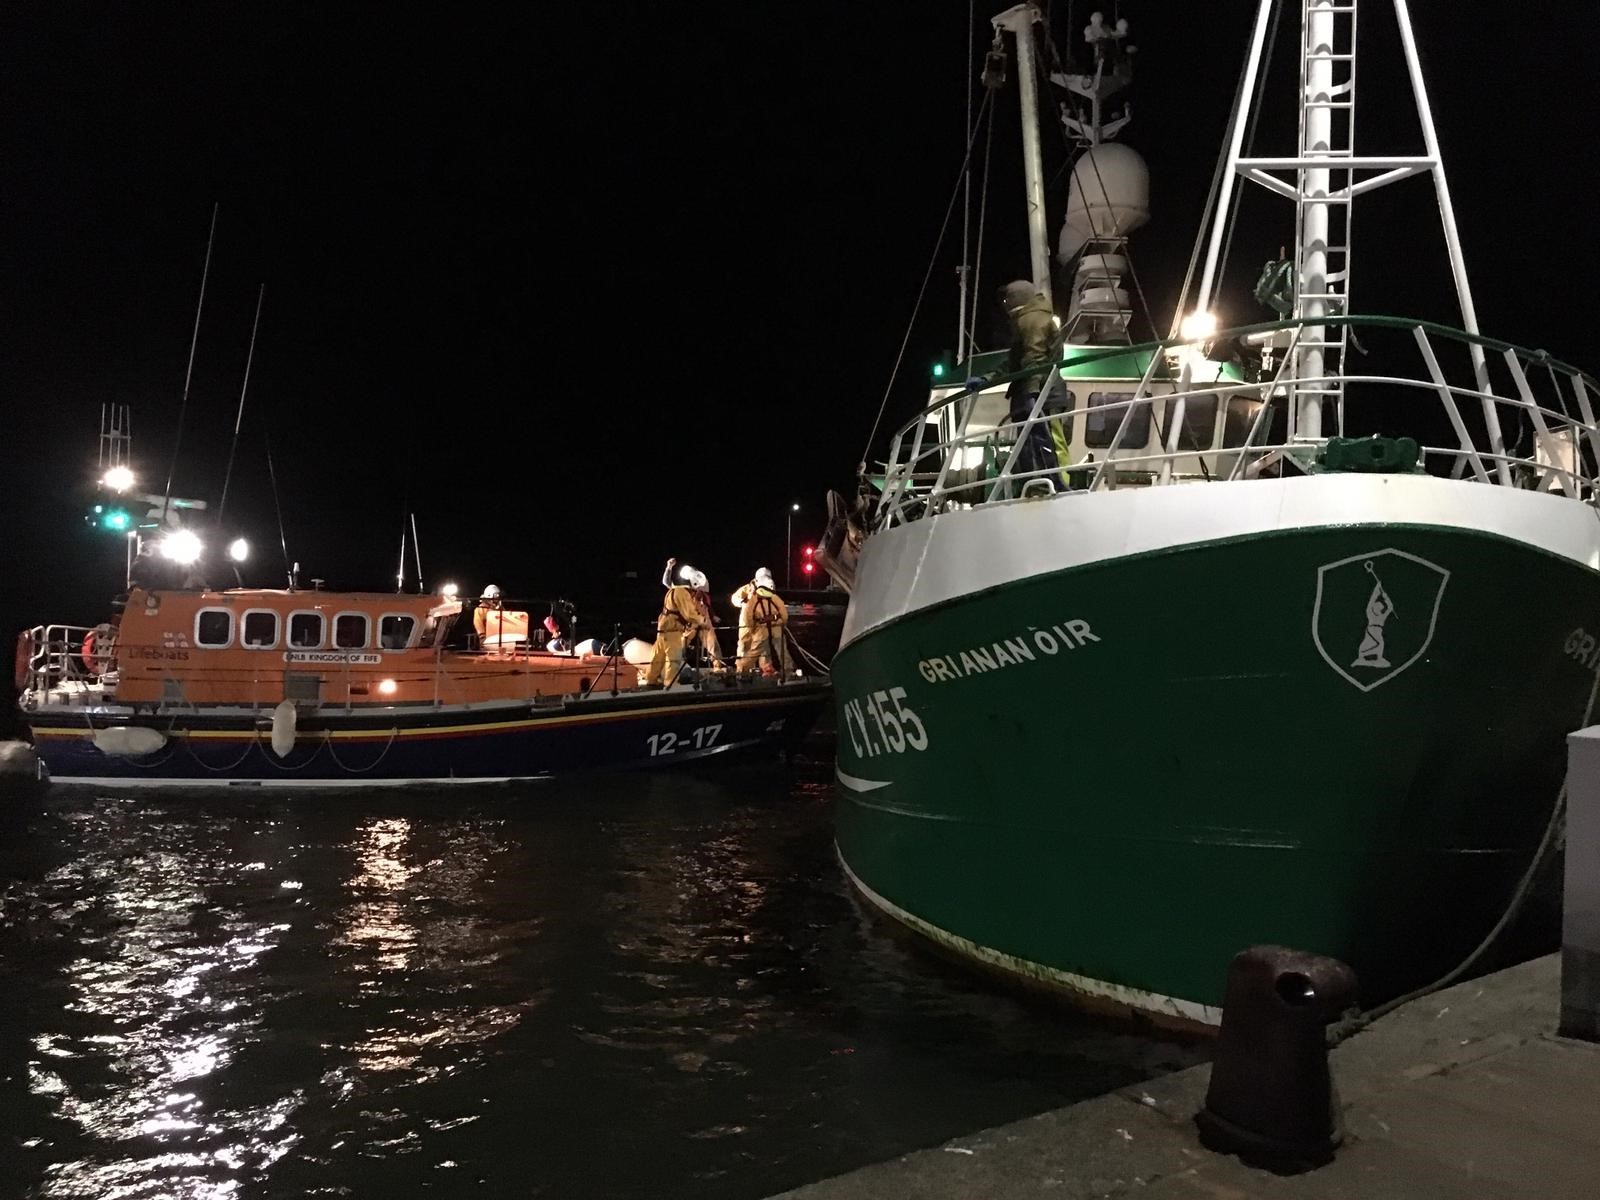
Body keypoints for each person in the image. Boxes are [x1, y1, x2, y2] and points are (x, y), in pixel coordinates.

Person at [973, 280, 1061, 487]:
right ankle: (1040, 483)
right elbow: (1015, 361)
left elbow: (1034, 357)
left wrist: (1031, 394)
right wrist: (987, 378)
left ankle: (1050, 485)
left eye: (1006, 299)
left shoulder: (1031, 319)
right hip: (1038, 390)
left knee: (1043, 439)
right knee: (1033, 441)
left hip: (1042, 393)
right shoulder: (1031, 318)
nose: (1004, 305)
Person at [645, 559, 705, 687]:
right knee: (674, 660)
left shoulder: (674, 589)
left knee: (657, 658)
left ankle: (651, 681)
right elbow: (690, 614)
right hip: (673, 631)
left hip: (662, 630)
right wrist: (702, 621)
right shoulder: (682, 593)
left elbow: (666, 582)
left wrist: (668, 568)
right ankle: (670, 685)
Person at [730, 567, 789, 676]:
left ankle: (767, 668)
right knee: (744, 644)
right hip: (746, 623)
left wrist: (776, 619)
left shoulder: (769, 590)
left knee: (763, 647)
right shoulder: (747, 589)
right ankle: (742, 669)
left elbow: (779, 609)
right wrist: (743, 601)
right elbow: (734, 599)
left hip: (761, 625)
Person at [688, 570, 726, 671]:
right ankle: (676, 664)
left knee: (712, 642)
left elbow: (708, 606)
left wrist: (713, 616)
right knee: (682, 642)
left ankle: (717, 666)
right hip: (691, 620)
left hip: (705, 620)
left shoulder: (704, 596)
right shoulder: (686, 594)